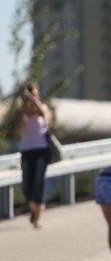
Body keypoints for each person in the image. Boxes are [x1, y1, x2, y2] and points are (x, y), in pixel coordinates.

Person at [15, 83, 53, 229]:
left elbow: (45, 116)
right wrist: (25, 104)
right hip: (26, 151)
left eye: (35, 94)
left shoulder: (42, 108)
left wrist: (32, 98)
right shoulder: (21, 112)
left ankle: (37, 218)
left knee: (38, 183)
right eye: (30, 95)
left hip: (41, 151)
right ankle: (33, 208)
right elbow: (18, 128)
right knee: (26, 186)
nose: (32, 97)